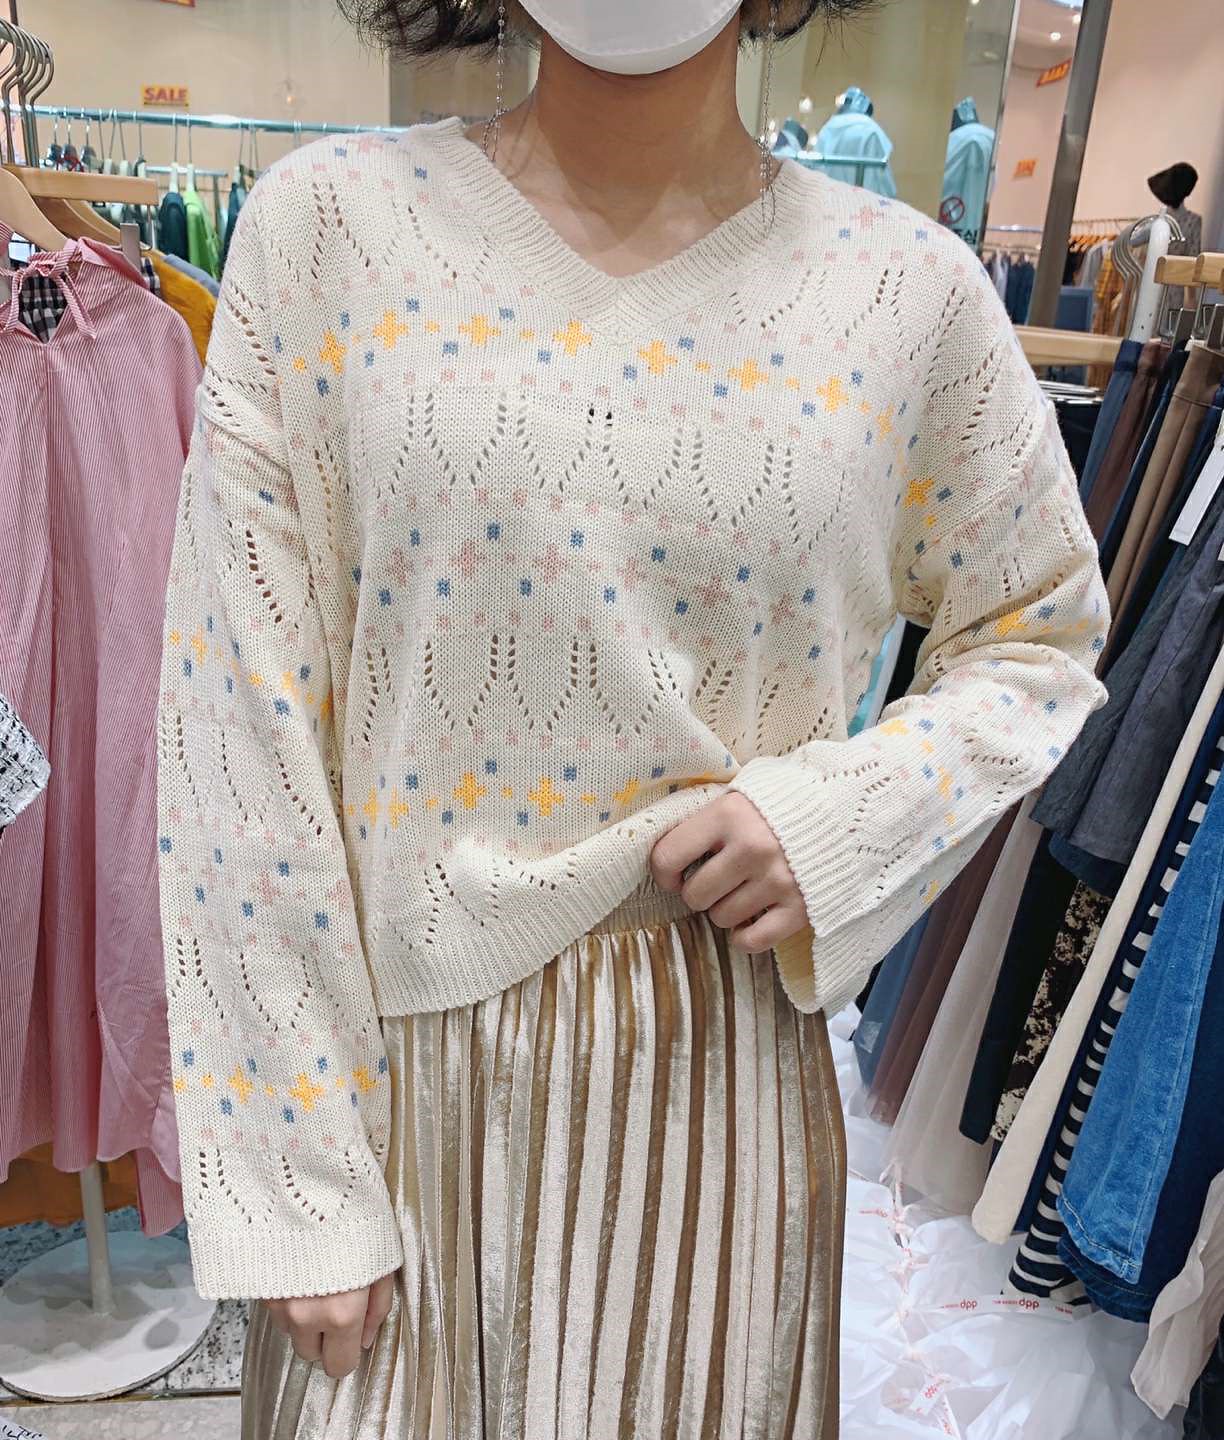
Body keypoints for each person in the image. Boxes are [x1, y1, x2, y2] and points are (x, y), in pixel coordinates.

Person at [156, 2, 1111, 1435]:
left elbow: (1040, 626)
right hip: (399, 1088)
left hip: (715, 1091)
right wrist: (297, 1176)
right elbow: (236, 719)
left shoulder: (907, 294)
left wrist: (838, 819)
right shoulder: (328, 232)